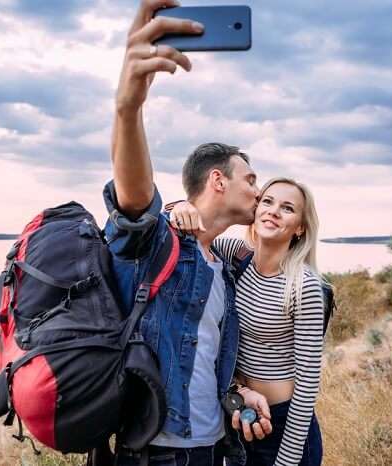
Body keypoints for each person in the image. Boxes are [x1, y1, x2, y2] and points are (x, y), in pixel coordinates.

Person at [102, 1, 273, 465]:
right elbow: (132, 198)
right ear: (218, 181)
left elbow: (205, 355)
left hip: (215, 447)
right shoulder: (157, 242)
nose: (258, 192)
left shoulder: (229, 265)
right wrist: (128, 105)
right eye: (251, 180)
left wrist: (237, 392)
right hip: (156, 452)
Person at [168, 177, 325, 466]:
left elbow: (307, 385)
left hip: (284, 424)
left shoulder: (304, 286)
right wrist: (178, 207)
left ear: (300, 227)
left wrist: (287, 460)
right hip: (240, 412)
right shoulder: (233, 254)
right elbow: (194, 230)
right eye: (268, 201)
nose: (274, 211)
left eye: (287, 208)